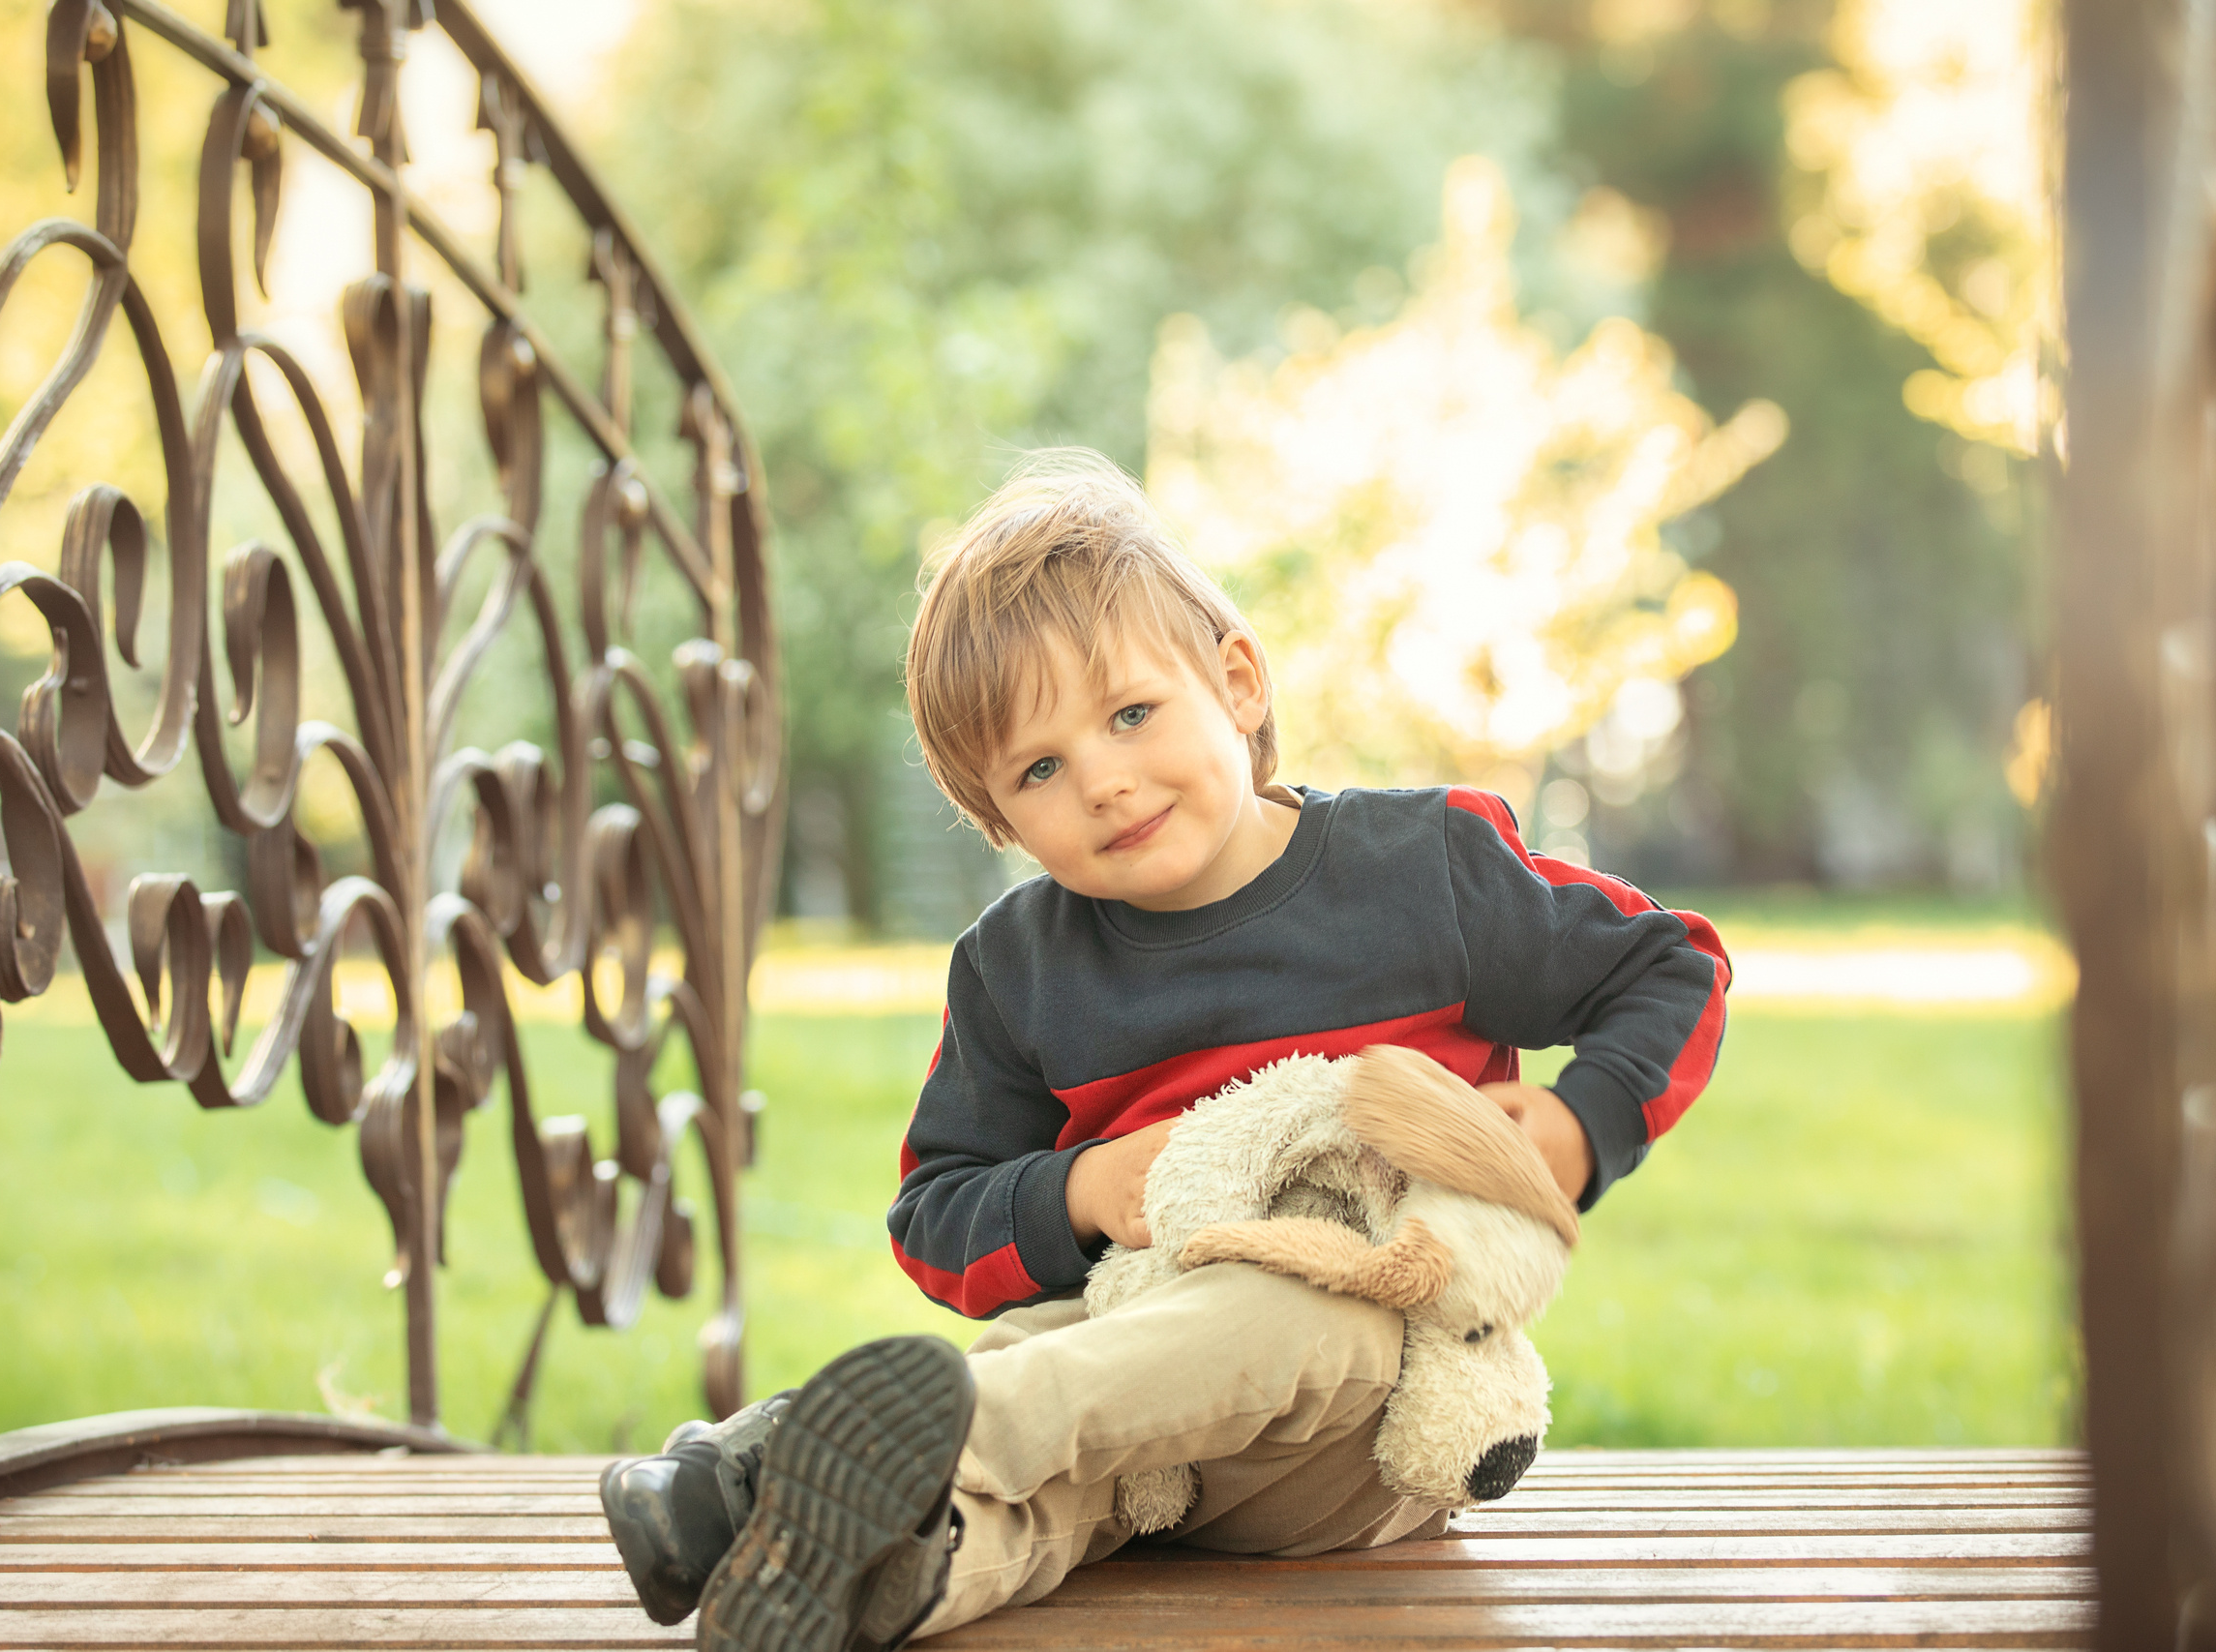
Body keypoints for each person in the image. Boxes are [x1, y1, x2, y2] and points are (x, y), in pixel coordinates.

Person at [601, 450, 1730, 1650]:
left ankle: (799, 1464)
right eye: (1039, 770)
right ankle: (857, 1574)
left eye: (1131, 714)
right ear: (999, 820)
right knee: (1058, 1419)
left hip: (1360, 1424)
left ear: (1236, 682)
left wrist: (1574, 1125)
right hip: (1124, 1431)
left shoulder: (1421, 873)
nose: (1104, 781)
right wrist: (1079, 1190)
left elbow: (1673, 966)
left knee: (1284, 1321)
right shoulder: (1018, 967)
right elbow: (935, 1218)